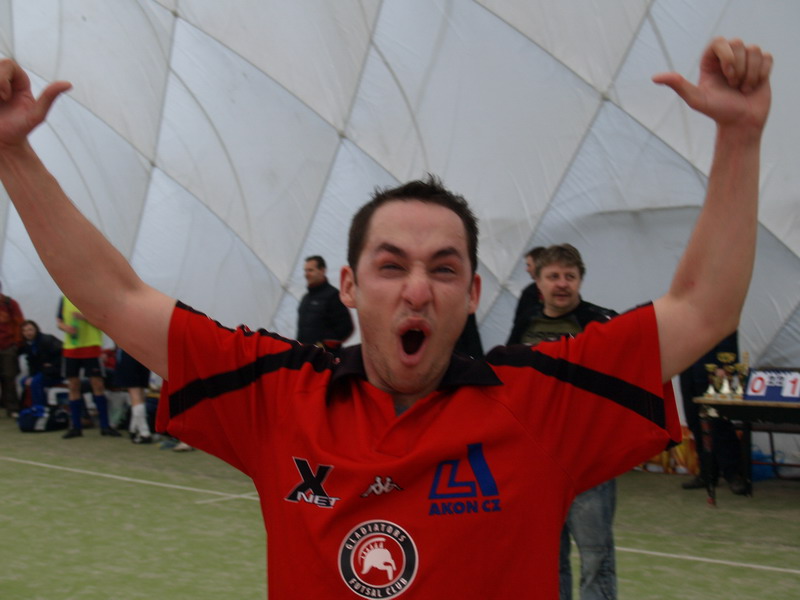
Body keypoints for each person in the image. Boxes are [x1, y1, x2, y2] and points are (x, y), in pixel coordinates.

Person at [0, 37, 772, 598]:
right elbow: (116, 298)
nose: (417, 290)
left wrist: (739, 136)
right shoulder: (278, 393)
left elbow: (702, 308)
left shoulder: (540, 401)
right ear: (350, 286)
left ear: (473, 294)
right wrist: (12, 153)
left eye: (444, 269)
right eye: (391, 265)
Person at [514, 243, 619, 600]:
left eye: (569, 276)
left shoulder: (603, 323)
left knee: (596, 559)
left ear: (580, 280)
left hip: (589, 463)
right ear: (538, 282)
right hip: (540, 463)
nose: (562, 283)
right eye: (553, 276)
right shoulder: (526, 325)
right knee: (548, 558)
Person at [678, 331, 747, 495]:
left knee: (719, 423)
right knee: (695, 422)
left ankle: (733, 474)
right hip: (688, 368)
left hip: (713, 368)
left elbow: (727, 330)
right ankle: (707, 473)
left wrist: (725, 365)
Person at [56, 295, 121, 438]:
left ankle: (105, 426)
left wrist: (84, 317)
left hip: (91, 347)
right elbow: (59, 321)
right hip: (71, 348)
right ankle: (76, 427)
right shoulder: (63, 298)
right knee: (73, 386)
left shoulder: (91, 295)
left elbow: (104, 320)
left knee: (97, 384)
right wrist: (66, 328)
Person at [296, 255, 354, 355]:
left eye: (310, 270)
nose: (306, 274)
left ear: (322, 270)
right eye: (305, 270)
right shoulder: (306, 298)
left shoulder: (333, 296)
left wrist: (325, 345)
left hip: (324, 357)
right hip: (304, 355)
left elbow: (346, 327)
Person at [18, 319, 64, 408]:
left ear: (36, 329)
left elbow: (63, 354)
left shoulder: (47, 340)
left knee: (36, 382)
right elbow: (31, 364)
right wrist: (31, 376)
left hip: (55, 373)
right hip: (41, 372)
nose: (28, 333)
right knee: (23, 381)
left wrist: (52, 364)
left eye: (30, 330)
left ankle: (40, 408)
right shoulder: (27, 345)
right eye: (25, 331)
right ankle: (30, 406)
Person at [113, 347, 153, 444]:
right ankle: (134, 429)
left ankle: (144, 432)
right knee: (140, 394)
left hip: (130, 352)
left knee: (135, 394)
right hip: (146, 353)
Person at [507, 246, 544, 344]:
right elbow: (519, 325)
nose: (527, 269)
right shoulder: (529, 293)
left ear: (538, 265)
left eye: (529, 265)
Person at [0, 281, 24, 417]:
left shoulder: (10, 304)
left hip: (8, 347)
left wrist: (16, 344)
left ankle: (13, 408)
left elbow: (19, 323)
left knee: (9, 377)